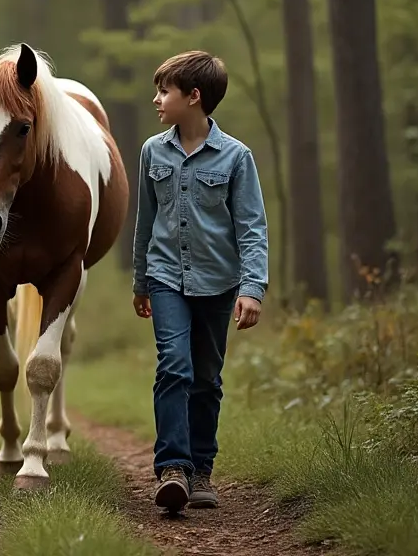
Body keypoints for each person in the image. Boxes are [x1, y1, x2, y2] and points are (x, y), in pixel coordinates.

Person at [130, 50, 269, 513]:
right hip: (166, 275)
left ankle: (201, 470)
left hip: (219, 283)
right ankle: (172, 468)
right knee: (175, 366)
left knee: (206, 378)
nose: (157, 99)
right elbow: (144, 223)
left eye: (164, 91)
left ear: (194, 97)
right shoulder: (153, 150)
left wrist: (252, 288)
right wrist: (141, 281)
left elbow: (251, 227)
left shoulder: (236, 157)